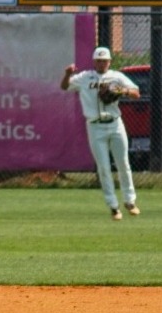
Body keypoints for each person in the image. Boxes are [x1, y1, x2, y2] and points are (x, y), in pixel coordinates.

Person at [60, 46, 141, 220]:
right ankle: (113, 206)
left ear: (110, 61)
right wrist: (67, 74)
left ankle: (130, 200)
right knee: (103, 167)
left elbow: (136, 92)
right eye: (99, 60)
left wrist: (123, 90)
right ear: (94, 61)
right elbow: (64, 87)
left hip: (115, 124)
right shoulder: (84, 77)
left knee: (123, 163)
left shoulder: (117, 76)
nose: (102, 63)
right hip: (95, 126)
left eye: (105, 60)